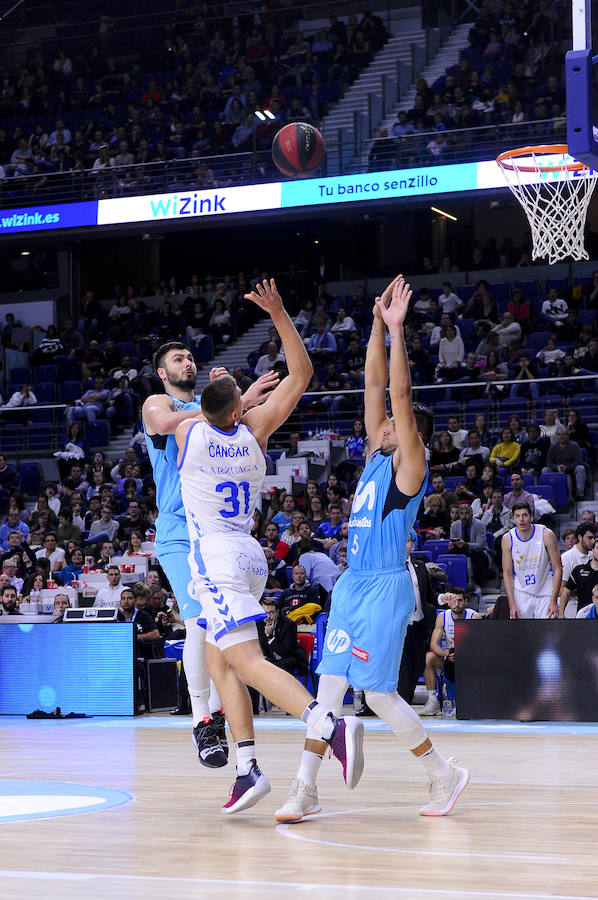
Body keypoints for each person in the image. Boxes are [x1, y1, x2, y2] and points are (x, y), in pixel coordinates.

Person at [277, 274, 468, 825]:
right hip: (352, 584)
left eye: (389, 423)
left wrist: (399, 331)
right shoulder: (374, 458)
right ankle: (306, 789)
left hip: (386, 585)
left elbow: (399, 396)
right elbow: (372, 387)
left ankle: (442, 773)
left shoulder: (410, 464)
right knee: (329, 687)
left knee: (379, 695)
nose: (379, 421)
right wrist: (374, 328)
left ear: (408, 435)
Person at [175, 278, 364, 815]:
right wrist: (280, 313)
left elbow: (192, 411)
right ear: (238, 407)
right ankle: (247, 768)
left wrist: (232, 394)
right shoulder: (254, 429)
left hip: (214, 556)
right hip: (252, 554)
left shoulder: (189, 433)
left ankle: (328, 723)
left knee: (247, 663)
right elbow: (301, 374)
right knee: (220, 664)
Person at [142, 343, 277, 770]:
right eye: (177, 358)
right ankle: (202, 718)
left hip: (218, 531)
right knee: (200, 616)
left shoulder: (212, 407)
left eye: (189, 356)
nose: (187, 361)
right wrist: (223, 406)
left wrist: (239, 403)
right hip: (180, 533)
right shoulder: (157, 402)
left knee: (223, 627)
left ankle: (217, 716)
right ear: (162, 373)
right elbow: (164, 423)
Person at [420, 588, 481, 715]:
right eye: (453, 601)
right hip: (449, 658)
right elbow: (433, 644)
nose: (456, 604)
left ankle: (465, 700)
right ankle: (433, 701)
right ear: (448, 602)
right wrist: (447, 654)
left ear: (465, 601)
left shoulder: (474, 617)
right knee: (428, 658)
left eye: (460, 600)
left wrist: (463, 655)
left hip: (470, 660)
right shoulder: (442, 617)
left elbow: (480, 645)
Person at [501, 502, 562, 619]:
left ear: (532, 517)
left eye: (525, 515)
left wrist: (554, 599)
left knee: (549, 634)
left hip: (546, 592)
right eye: (517, 516)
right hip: (521, 593)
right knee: (522, 635)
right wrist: (512, 604)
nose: (521, 519)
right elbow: (507, 573)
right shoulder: (508, 539)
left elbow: (558, 567)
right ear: (513, 519)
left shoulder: (546, 534)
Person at [398, 532, 439, 704]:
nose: (406, 544)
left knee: (417, 667)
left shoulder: (419, 566)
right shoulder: (389, 569)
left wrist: (444, 599)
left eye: (408, 541)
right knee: (403, 672)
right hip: (399, 628)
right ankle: (402, 705)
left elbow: (430, 596)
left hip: (419, 626)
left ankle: (405, 702)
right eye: (402, 541)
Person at [542, 426, 586, 501]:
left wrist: (567, 467)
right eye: (559, 434)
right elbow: (549, 462)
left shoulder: (574, 446)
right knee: (545, 470)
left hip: (571, 468)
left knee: (580, 468)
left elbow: (578, 461)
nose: (561, 436)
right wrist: (557, 467)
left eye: (564, 434)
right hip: (557, 469)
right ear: (557, 436)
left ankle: (579, 494)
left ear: (568, 435)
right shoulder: (553, 447)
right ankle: (548, 495)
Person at [560, 536, 598, 618]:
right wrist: (561, 613)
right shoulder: (579, 570)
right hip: (583, 617)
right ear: (592, 550)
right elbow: (566, 591)